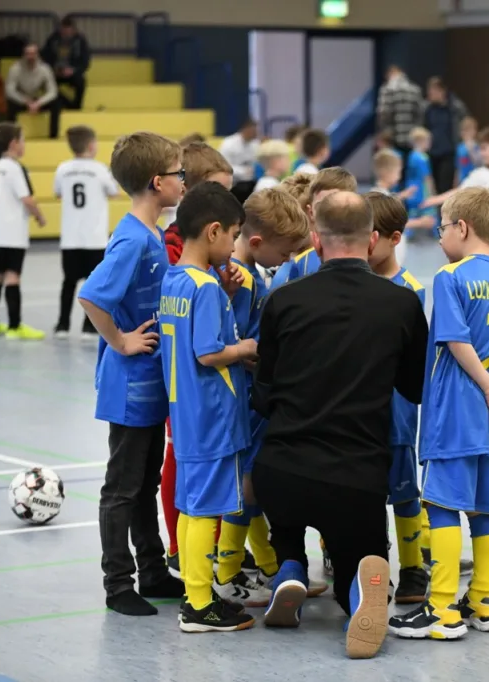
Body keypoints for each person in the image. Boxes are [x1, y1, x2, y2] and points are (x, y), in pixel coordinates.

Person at [251, 191, 429, 660]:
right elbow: (415, 389)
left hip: (282, 468)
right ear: (372, 240)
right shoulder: (402, 305)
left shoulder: (282, 300)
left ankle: (290, 565)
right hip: (357, 475)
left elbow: (263, 394)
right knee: (357, 557)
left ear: (315, 239)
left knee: (285, 522)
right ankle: (357, 597)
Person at [389, 187, 489, 641]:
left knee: (445, 505)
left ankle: (443, 608)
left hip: (457, 412)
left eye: (443, 227)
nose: (440, 236)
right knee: (486, 509)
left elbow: (454, 339)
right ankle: (486, 603)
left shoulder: (451, 277)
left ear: (462, 228)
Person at [78, 132, 187, 616]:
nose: (184, 182)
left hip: (152, 385)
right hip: (129, 387)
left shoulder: (151, 236)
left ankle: (154, 570)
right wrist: (121, 340)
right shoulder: (130, 239)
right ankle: (118, 583)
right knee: (122, 488)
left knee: (143, 483)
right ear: (157, 181)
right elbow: (92, 296)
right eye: (180, 174)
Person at [158, 181, 259, 632]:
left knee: (189, 503)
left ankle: (195, 594)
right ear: (214, 231)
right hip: (212, 415)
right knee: (203, 510)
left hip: (186, 413)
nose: (235, 244)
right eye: (234, 234)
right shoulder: (205, 289)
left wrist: (229, 298)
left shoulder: (176, 279)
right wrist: (248, 347)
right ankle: (199, 606)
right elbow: (208, 352)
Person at [214, 187, 319, 608]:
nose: (290, 260)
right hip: (240, 400)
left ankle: (267, 564)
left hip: (254, 397)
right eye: (286, 251)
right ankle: (226, 573)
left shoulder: (253, 273)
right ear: (257, 241)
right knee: (245, 485)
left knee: (255, 483)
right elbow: (232, 341)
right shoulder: (237, 278)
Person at [159, 140, 234, 574]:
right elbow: (205, 345)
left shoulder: (194, 268)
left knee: (195, 485)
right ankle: (187, 565)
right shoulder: (182, 260)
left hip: (189, 389)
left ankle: (195, 564)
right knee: (190, 479)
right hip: (190, 391)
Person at [361, 191, 429, 604]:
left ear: (394, 237)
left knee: (404, 496)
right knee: (366, 498)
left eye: (371, 236)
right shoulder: (352, 285)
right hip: (358, 417)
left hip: (397, 413)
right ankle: (374, 569)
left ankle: (413, 568)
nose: (364, 245)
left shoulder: (411, 291)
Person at [53, 125, 120, 340]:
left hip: (70, 238)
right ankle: (89, 327)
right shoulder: (100, 169)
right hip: (95, 238)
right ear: (92, 145)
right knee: (95, 284)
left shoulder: (63, 169)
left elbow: (58, 193)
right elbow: (114, 193)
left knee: (68, 282)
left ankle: (62, 325)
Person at [0, 122, 46, 340]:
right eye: (23, 140)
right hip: (12, 233)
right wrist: (39, 215)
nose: (24, 144)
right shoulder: (14, 167)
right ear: (13, 144)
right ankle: (14, 326)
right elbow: (26, 198)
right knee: (12, 276)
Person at [281, 167, 358, 285]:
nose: (329, 213)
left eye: (337, 204)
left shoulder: (371, 254)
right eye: (322, 206)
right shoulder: (301, 264)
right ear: (311, 212)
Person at [423, 126, 489, 207]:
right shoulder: (478, 174)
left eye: (484, 148)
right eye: (480, 149)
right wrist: (434, 200)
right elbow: (460, 192)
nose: (481, 153)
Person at [422, 76, 469, 195]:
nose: (430, 95)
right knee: (434, 186)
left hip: (449, 152)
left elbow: (465, 125)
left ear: (441, 91)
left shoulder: (455, 107)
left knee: (445, 186)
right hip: (431, 153)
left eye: (432, 92)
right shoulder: (427, 109)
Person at [5, 43, 59, 138]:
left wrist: (38, 103)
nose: (31, 57)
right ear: (23, 55)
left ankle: (53, 136)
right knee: (8, 105)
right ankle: (12, 137)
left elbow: (53, 91)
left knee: (56, 104)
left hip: (38, 100)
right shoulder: (15, 68)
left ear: (38, 55)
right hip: (22, 100)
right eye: (28, 53)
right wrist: (25, 101)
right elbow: (9, 91)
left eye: (33, 53)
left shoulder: (45, 69)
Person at [40, 15, 90, 111]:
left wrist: (73, 70)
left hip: (72, 72)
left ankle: (76, 108)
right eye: (63, 31)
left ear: (73, 30)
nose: (65, 34)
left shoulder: (81, 41)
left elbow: (85, 61)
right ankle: (65, 104)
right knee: (45, 82)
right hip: (54, 71)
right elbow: (44, 56)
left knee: (81, 82)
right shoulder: (52, 39)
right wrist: (53, 69)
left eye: (68, 31)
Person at [377, 65, 423, 159]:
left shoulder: (387, 89)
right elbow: (420, 114)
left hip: (393, 138)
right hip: (412, 138)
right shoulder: (415, 89)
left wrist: (383, 132)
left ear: (390, 74)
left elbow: (384, 113)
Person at [404, 127, 437, 239]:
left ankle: (407, 235)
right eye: (428, 141)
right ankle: (438, 234)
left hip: (411, 189)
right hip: (422, 190)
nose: (430, 143)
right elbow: (427, 177)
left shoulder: (411, 155)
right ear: (420, 141)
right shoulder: (423, 158)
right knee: (431, 212)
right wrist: (432, 192)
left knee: (413, 213)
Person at [218, 119, 260, 203]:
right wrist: (244, 171)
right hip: (234, 183)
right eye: (254, 130)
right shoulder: (228, 144)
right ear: (246, 129)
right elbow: (223, 167)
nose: (256, 133)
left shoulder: (256, 144)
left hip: (251, 182)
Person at [456, 116, 479, 185]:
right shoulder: (460, 147)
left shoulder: (477, 146)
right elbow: (458, 166)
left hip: (474, 179)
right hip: (462, 180)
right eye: (464, 130)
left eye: (469, 130)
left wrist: (470, 148)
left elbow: (478, 163)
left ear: (474, 132)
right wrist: (456, 182)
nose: (466, 133)